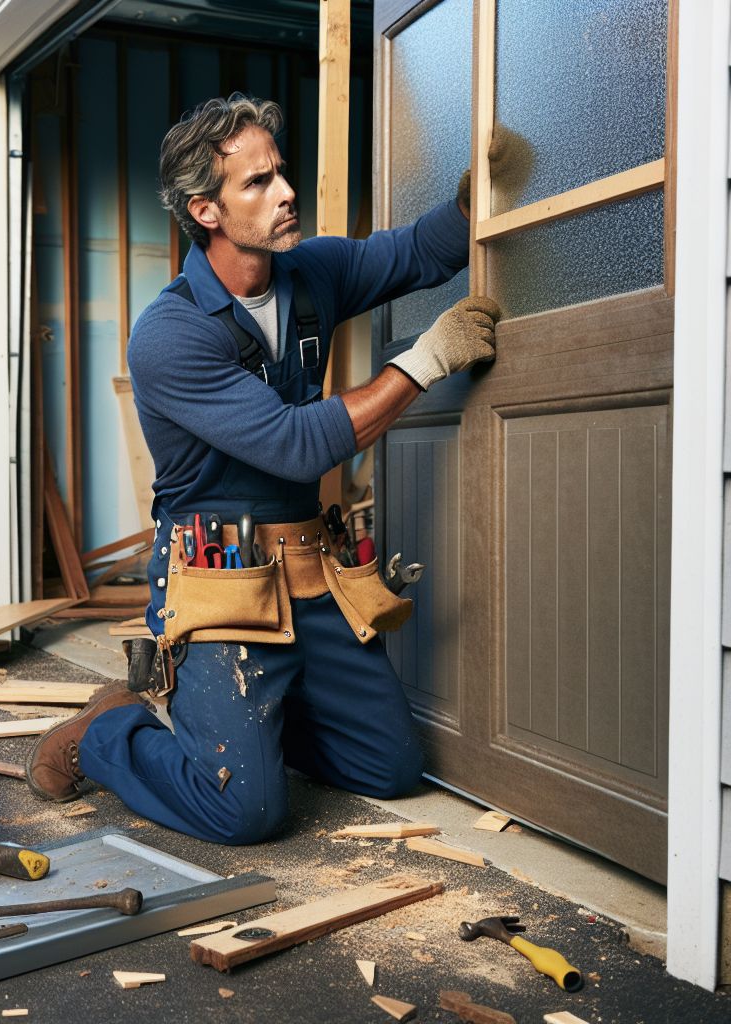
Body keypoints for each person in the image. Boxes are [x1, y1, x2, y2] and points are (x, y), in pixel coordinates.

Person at [26, 95, 500, 844]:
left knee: (392, 767)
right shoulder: (170, 335)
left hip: (312, 572)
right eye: (257, 183)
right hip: (220, 582)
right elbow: (297, 445)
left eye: (279, 172)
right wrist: (426, 361)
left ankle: (252, 738)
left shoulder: (310, 274)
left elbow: (416, 252)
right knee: (246, 812)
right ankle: (108, 733)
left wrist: (477, 204)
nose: (285, 192)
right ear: (205, 211)